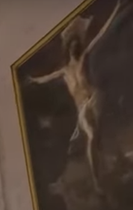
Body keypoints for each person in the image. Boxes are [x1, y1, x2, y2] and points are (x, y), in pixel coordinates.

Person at [26, 0, 125, 193]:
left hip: (93, 97)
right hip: (82, 106)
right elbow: (47, 78)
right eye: (71, 46)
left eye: (76, 45)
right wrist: (34, 80)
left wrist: (115, 12)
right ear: (68, 49)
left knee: (95, 136)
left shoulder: (82, 58)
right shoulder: (65, 70)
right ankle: (99, 176)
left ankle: (101, 174)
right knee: (93, 138)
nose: (74, 48)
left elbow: (99, 35)